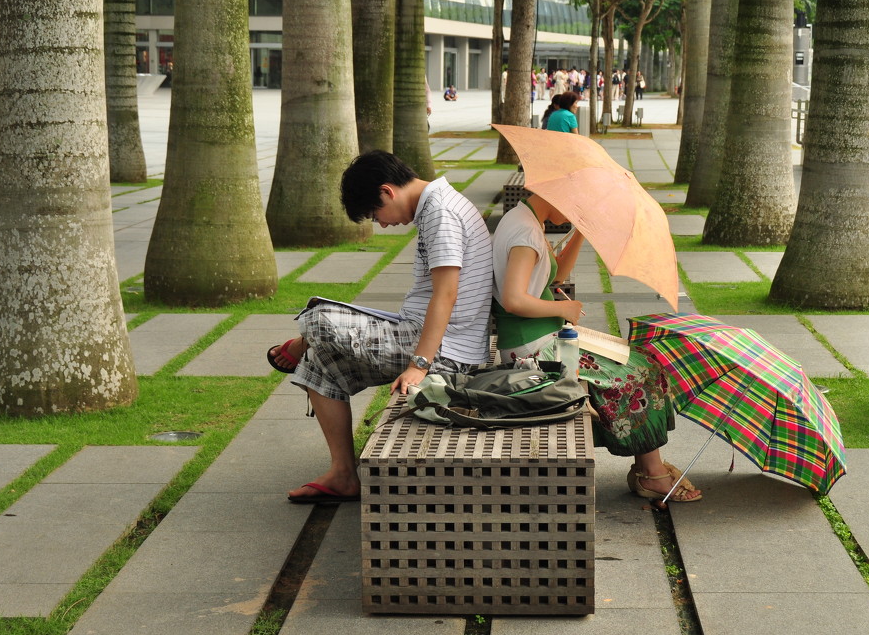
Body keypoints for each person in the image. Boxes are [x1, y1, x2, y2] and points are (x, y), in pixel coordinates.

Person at [268, 151, 494, 503]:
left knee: (317, 319)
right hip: (422, 335)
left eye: (376, 214)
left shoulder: (441, 213)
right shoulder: (438, 205)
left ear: (388, 192)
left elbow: (446, 295)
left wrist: (419, 365)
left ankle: (297, 344)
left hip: (445, 352)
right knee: (319, 366)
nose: (382, 223)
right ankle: (343, 475)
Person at [491, 193, 701, 503]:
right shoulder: (525, 234)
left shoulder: (526, 220)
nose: (578, 208)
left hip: (543, 338)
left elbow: (556, 276)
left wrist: (580, 232)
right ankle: (651, 472)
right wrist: (562, 310)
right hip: (533, 350)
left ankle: (647, 468)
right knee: (639, 371)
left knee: (638, 362)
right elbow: (513, 299)